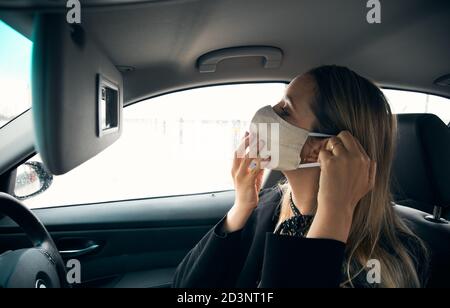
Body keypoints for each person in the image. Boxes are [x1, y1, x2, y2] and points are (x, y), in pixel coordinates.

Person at [172, 65, 428, 288]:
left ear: (322, 148)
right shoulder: (267, 206)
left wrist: (335, 212)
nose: (267, 113)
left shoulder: (384, 261)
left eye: (285, 111)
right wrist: (240, 208)